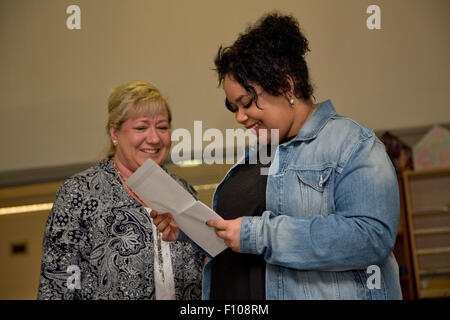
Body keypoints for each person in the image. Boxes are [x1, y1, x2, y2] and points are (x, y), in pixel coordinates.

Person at [152, 13, 402, 300]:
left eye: (246, 103)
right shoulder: (261, 152)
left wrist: (258, 235)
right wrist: (189, 229)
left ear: (286, 86)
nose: (240, 117)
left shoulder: (353, 145)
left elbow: (369, 238)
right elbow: (238, 237)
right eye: (233, 107)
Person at [38, 80, 205, 300]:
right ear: (115, 132)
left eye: (162, 127)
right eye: (141, 127)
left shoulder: (185, 191)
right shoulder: (79, 192)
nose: (154, 138)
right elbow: (57, 285)